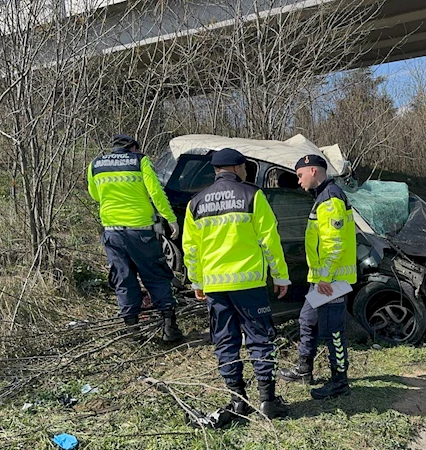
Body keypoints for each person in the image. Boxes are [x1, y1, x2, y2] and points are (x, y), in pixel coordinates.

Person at [181, 148, 291, 425]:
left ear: (216, 171)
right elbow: (269, 239)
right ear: (239, 168)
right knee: (260, 339)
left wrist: (197, 281)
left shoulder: (196, 202)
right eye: (245, 167)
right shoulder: (253, 196)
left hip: (216, 287)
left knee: (225, 342)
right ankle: (268, 400)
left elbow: (190, 249)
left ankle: (238, 402)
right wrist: (280, 276)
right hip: (249, 284)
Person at [87, 134, 182, 342]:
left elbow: (95, 195)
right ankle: (169, 329)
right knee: (156, 275)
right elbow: (156, 192)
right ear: (133, 148)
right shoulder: (140, 161)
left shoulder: (96, 164)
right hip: (141, 231)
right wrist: (170, 219)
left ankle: (133, 332)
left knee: (123, 278)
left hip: (113, 232)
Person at [279, 154, 356, 400]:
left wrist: (324, 277)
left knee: (333, 331)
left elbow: (335, 244)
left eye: (300, 175)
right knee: (307, 320)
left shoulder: (330, 198)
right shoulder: (323, 197)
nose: (299, 181)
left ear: (313, 170)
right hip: (324, 279)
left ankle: (339, 381)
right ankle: (304, 370)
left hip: (331, 281)